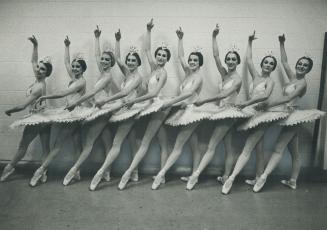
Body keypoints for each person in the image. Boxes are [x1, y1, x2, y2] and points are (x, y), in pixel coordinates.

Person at [253, 34, 325, 192]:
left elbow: (290, 98)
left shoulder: (302, 83)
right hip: (285, 114)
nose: (301, 66)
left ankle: (263, 177)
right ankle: (293, 180)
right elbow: (285, 62)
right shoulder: (292, 77)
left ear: (308, 69)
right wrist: (282, 43)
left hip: (293, 116)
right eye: (300, 64)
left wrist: (267, 105)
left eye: (305, 66)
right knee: (294, 151)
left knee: (279, 148)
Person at [221, 31, 288, 194]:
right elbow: (249, 60)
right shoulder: (255, 76)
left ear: (273, 67)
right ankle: (259, 176)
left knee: (248, 147)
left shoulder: (270, 81)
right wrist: (250, 42)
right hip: (251, 113)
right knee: (258, 148)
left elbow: (264, 96)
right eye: (266, 62)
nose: (268, 65)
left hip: (261, 115)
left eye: (271, 63)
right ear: (262, 63)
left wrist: (246, 103)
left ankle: (231, 178)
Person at [186, 24, 248, 190]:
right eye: (229, 59)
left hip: (228, 112)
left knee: (212, 145)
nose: (230, 61)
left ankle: (195, 175)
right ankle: (226, 176)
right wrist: (214, 37)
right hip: (222, 111)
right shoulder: (225, 74)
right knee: (228, 146)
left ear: (238, 62)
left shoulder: (237, 79)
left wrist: (204, 101)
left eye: (234, 59)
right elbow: (216, 56)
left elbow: (222, 95)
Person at [29, 36, 89, 187]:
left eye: (77, 67)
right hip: (72, 114)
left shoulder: (81, 81)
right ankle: (77, 172)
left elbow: (63, 93)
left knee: (57, 145)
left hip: (74, 115)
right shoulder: (74, 77)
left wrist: (45, 95)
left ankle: (41, 170)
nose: (74, 68)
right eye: (74, 66)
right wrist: (67, 46)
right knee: (77, 143)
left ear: (83, 69)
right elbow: (66, 62)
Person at [151, 26, 205, 190]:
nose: (192, 62)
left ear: (200, 63)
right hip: (184, 111)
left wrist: (169, 103)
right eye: (191, 60)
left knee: (178, 146)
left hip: (191, 112)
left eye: (195, 60)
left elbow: (187, 95)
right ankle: (195, 175)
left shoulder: (198, 77)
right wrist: (181, 39)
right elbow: (181, 56)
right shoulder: (188, 73)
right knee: (194, 144)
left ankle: (161, 174)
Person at [1, 36, 52, 182]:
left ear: (46, 73)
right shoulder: (38, 79)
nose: (38, 70)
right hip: (45, 118)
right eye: (38, 68)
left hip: (38, 119)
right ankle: (43, 171)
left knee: (22, 146)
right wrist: (35, 45)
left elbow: (23, 105)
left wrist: (10, 110)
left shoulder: (39, 87)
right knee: (45, 146)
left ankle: (8, 169)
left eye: (42, 69)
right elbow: (34, 61)